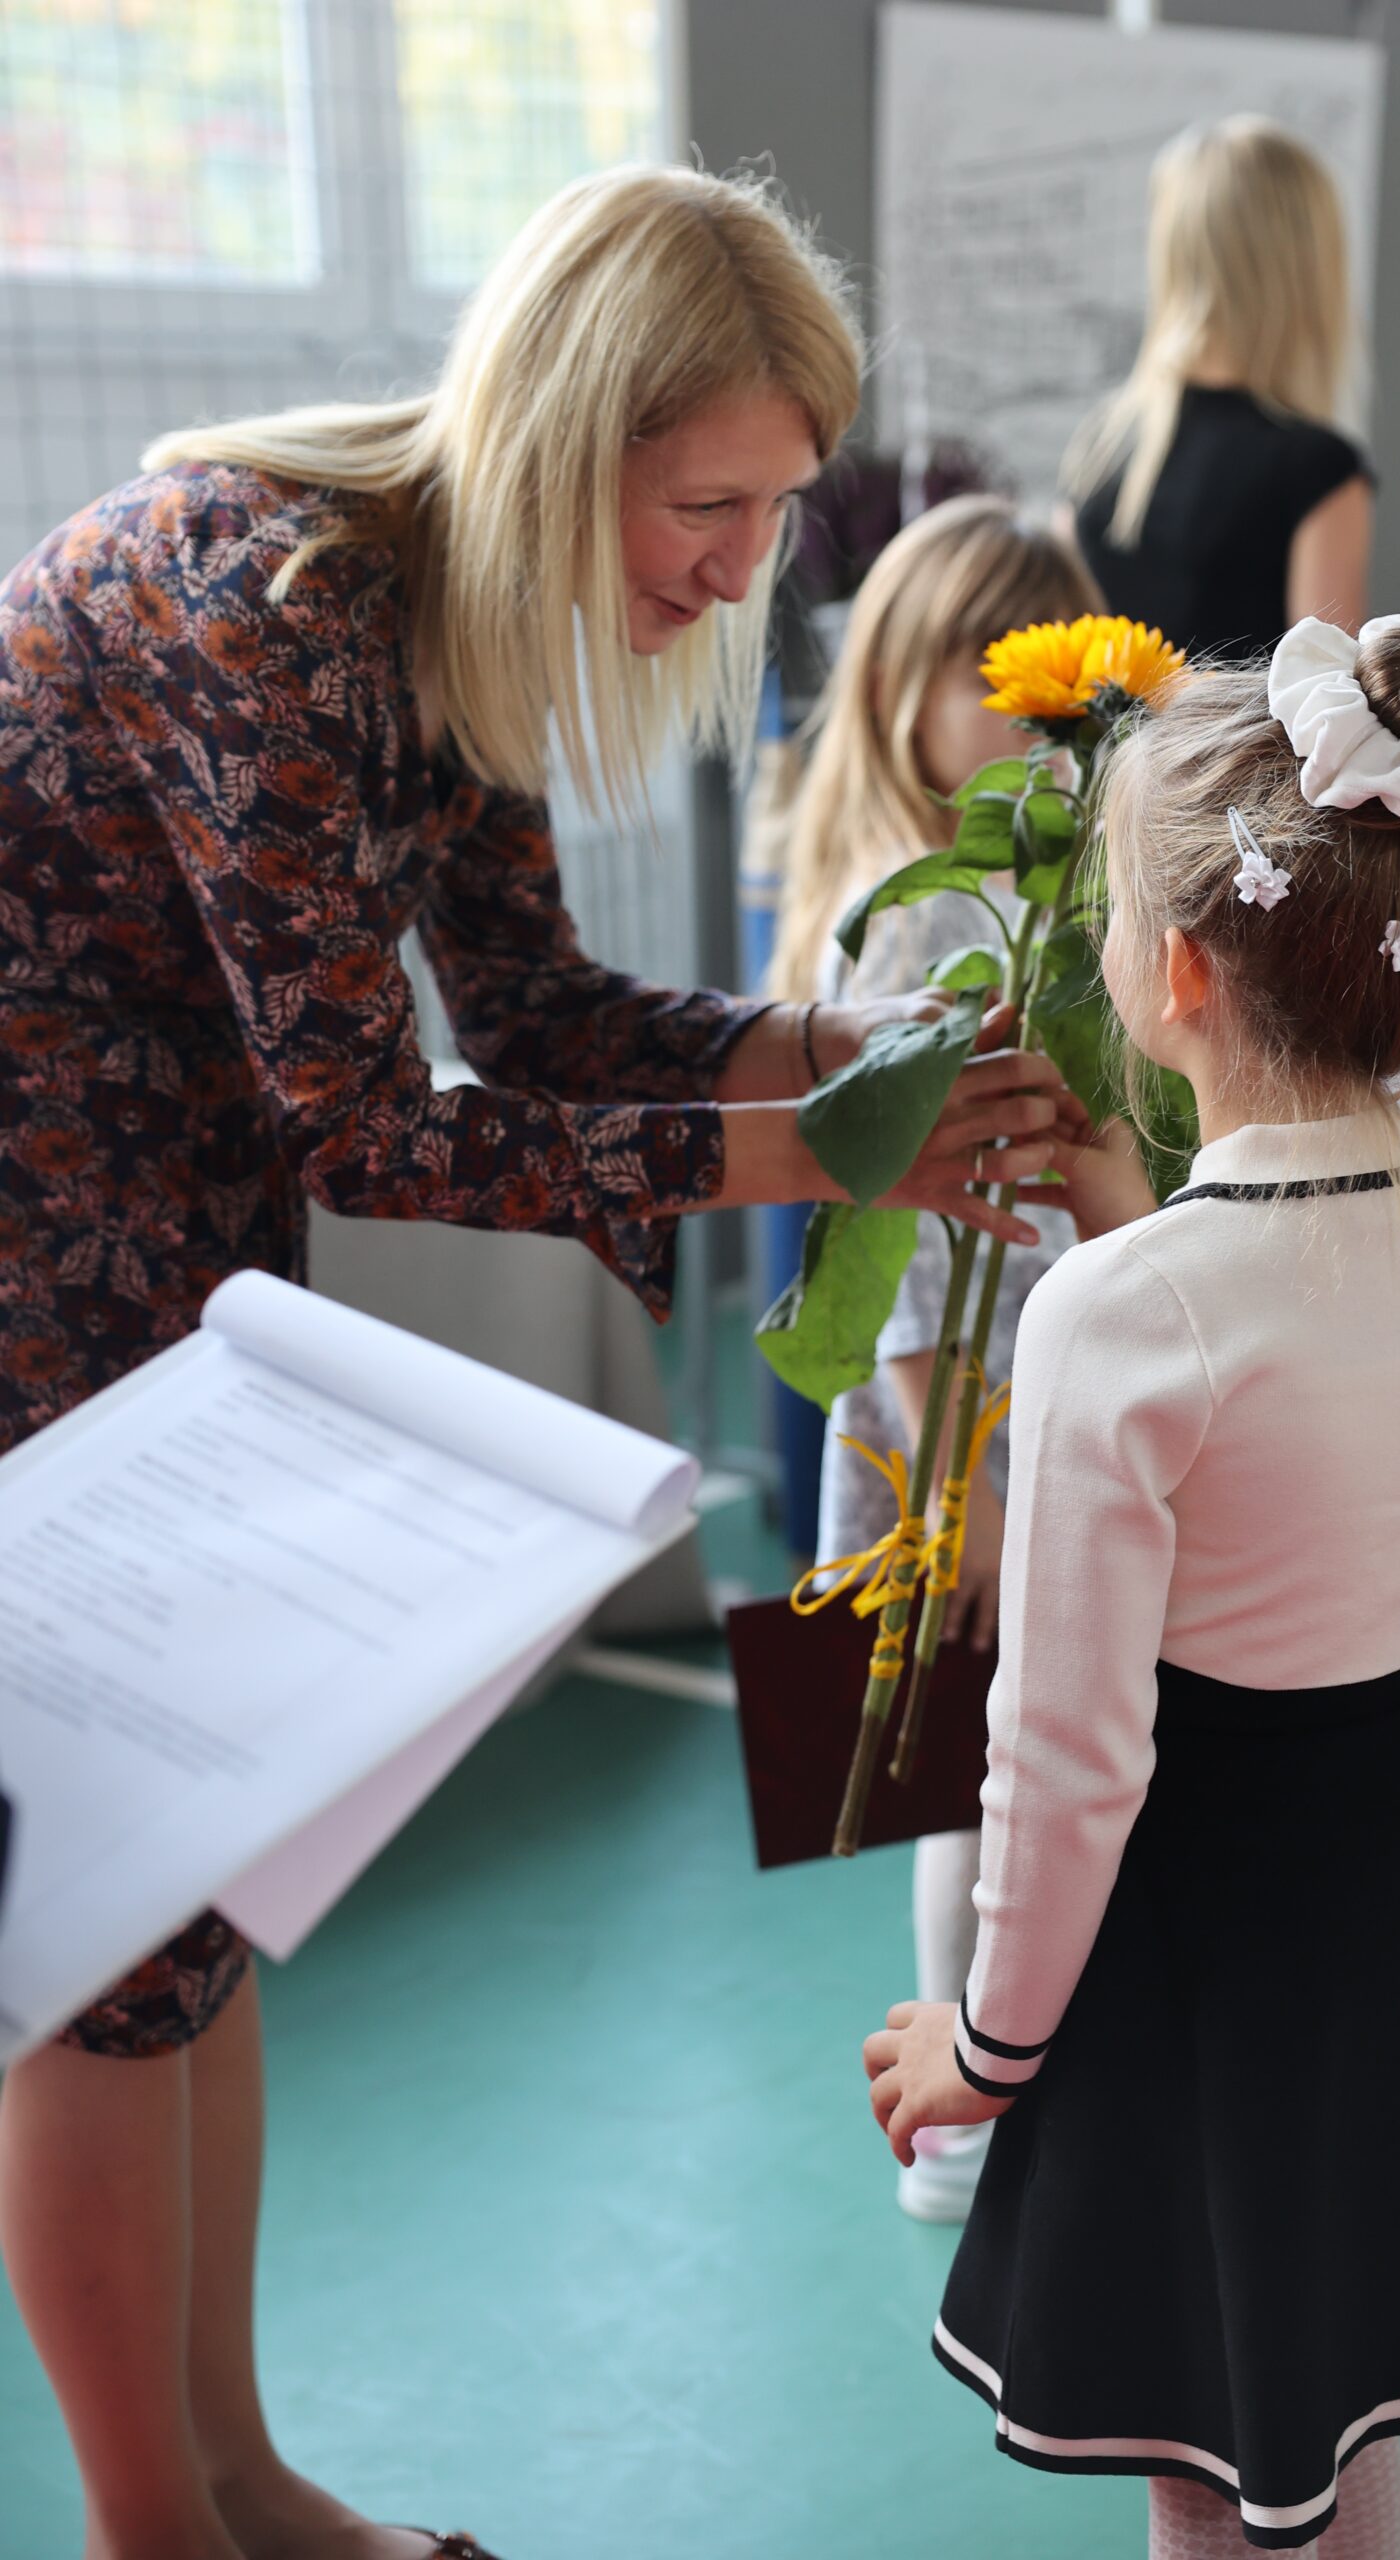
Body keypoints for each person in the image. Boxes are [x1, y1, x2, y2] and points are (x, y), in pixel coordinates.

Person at [0, 167, 1073, 2560]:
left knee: (194, 1896)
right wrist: (838, 1147)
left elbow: (546, 1013)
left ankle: (235, 2477)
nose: (738, 566)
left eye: (775, 510)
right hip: (35, 1245)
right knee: (99, 1937)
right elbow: (377, 1121)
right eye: (705, 505)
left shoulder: (436, 622)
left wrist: (863, 1055)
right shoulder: (262, 595)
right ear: (566, 436)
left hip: (164, 1233)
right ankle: (152, 2525)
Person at [864, 616, 1400, 2557]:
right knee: (1331, 2381)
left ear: (1174, 970)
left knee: (1202, 2433)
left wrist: (983, 2042)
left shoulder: (1117, 1313)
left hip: (1209, 1917)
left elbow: (1067, 1755)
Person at [774, 495, 1154, 2222]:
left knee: (1006, 1759)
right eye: (992, 682)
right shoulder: (917, 922)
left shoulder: (1028, 888)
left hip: (1022, 1390)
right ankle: (959, 2122)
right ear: (896, 692)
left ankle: (1000, 2086)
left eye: (1065, 696)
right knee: (975, 1776)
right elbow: (903, 1229)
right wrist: (961, 1480)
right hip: (956, 1423)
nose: (1034, 721)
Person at [1060, 116, 1372, 658]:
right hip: (1242, 724)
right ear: (1309, 265)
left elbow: (1059, 662)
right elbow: (1326, 698)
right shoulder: (1317, 469)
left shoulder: (1102, 443)